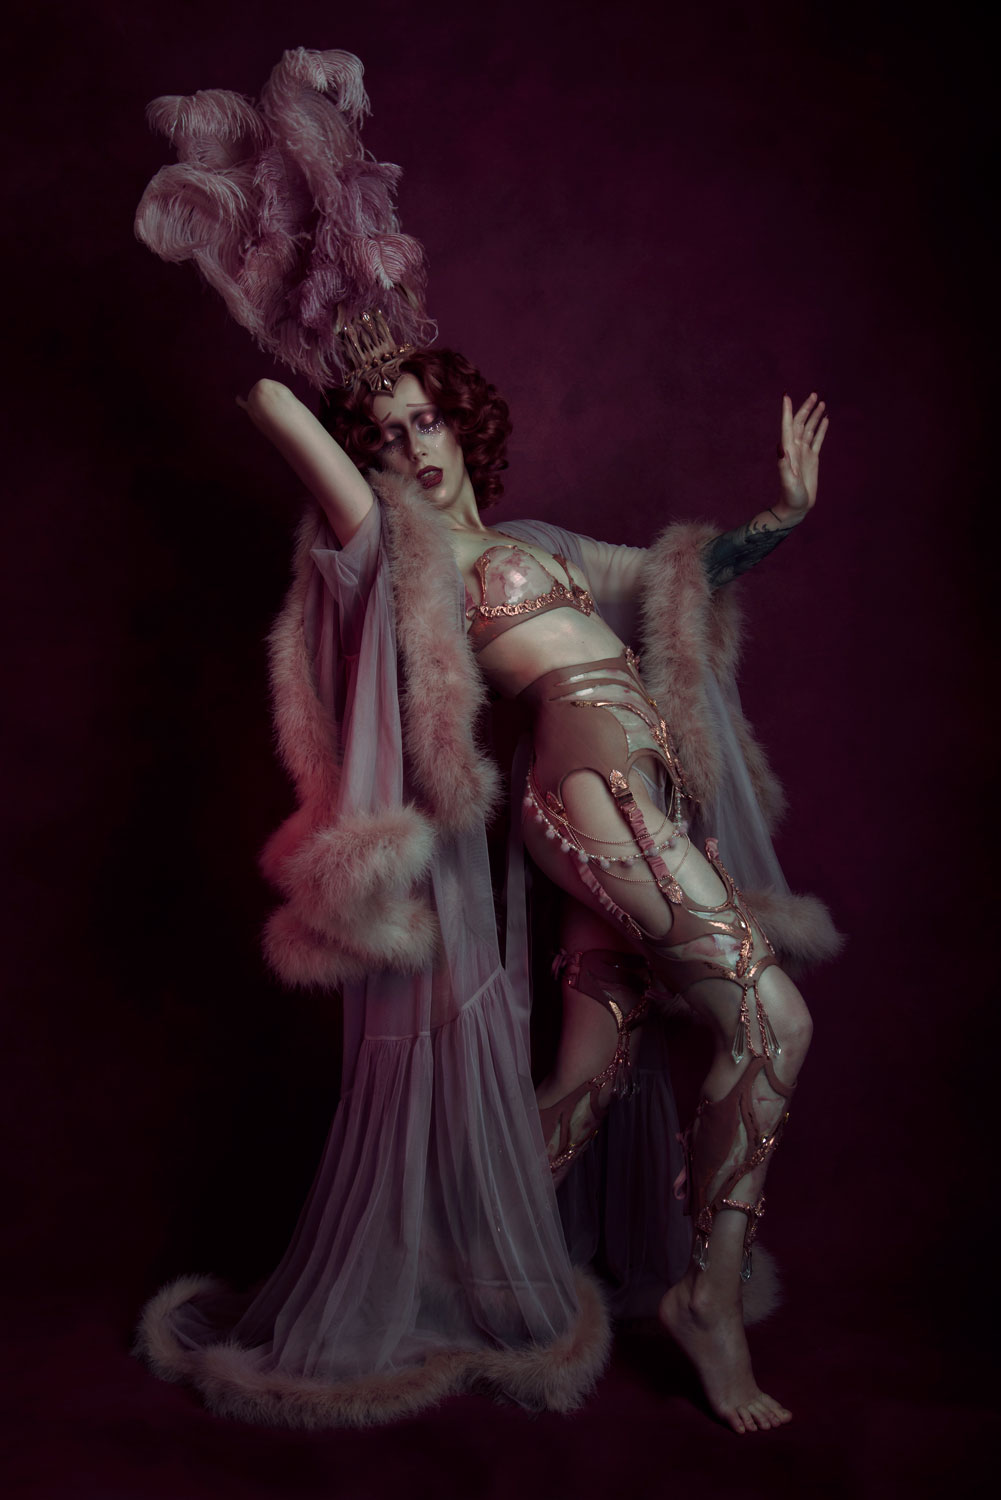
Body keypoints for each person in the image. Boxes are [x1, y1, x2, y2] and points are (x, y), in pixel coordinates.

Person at [134, 49, 840, 1435]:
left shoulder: (536, 543)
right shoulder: (407, 557)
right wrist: (312, 339)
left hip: (641, 792)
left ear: (462, 426)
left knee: (584, 1075)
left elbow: (674, 580)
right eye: (392, 435)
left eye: (427, 422)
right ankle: (704, 1302)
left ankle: (449, 1272)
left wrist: (779, 519)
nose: (418, 446)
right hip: (590, 802)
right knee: (771, 1017)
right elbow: (286, 423)